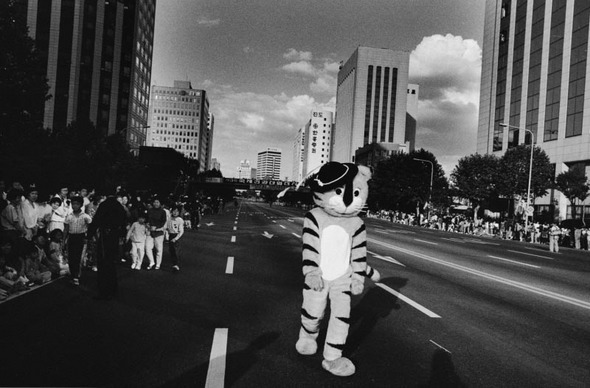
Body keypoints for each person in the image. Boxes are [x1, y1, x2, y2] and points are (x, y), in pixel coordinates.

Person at [87, 195, 127, 300]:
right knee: (111, 263)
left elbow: (96, 220)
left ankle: (104, 291)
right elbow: (124, 221)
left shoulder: (104, 205)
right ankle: (113, 289)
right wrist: (122, 234)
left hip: (105, 236)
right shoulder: (119, 206)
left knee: (103, 263)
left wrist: (89, 234)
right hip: (115, 236)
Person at [64, 196, 92, 286]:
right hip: (72, 238)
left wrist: (89, 238)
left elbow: (90, 228)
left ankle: (77, 276)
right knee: (71, 257)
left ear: (81, 205)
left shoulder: (85, 216)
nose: (75, 206)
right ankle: (73, 276)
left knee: (79, 258)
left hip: (81, 238)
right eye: (73, 204)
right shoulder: (69, 217)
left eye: (77, 204)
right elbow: (66, 230)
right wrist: (64, 241)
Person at [145, 196, 167, 270]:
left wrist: (156, 227)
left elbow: (163, 221)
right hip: (150, 231)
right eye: (154, 202)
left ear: (160, 203)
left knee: (159, 249)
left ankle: (158, 264)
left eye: (157, 202)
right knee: (147, 248)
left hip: (159, 232)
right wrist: (148, 224)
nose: (156, 204)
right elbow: (146, 219)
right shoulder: (149, 210)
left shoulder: (163, 212)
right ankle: (151, 262)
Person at [166, 206, 185, 271]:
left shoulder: (180, 220)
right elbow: (166, 227)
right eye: (174, 211)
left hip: (176, 235)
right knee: (171, 250)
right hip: (170, 235)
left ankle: (176, 264)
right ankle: (173, 263)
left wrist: (176, 238)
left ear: (179, 212)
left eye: (176, 211)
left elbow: (181, 231)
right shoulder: (169, 219)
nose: (175, 213)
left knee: (175, 250)